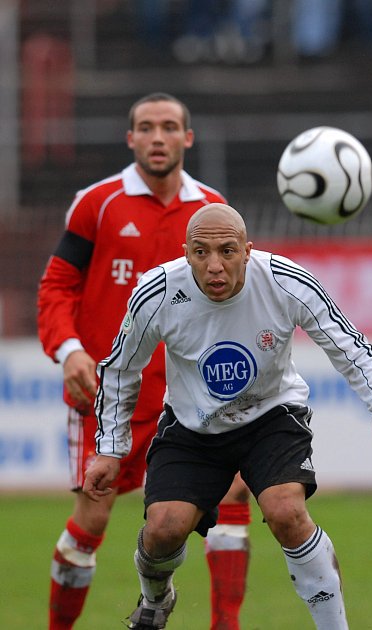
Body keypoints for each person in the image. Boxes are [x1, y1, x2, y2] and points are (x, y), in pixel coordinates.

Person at [82, 203, 372, 629]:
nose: (214, 265)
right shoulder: (158, 292)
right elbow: (120, 369)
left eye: (227, 251)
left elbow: (350, 348)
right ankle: (156, 599)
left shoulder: (284, 281)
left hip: (271, 416)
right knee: (163, 529)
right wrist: (110, 449)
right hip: (192, 427)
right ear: (186, 254)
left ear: (247, 250)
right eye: (201, 252)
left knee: (286, 512)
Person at [37, 93, 252, 630]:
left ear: (187, 138)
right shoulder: (97, 204)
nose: (159, 137)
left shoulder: (211, 209)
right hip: (108, 395)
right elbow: (57, 287)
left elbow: (239, 298)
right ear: (131, 138)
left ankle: (225, 625)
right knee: (92, 520)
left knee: (232, 494)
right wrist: (69, 350)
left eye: (170, 127)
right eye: (147, 127)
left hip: (189, 395)